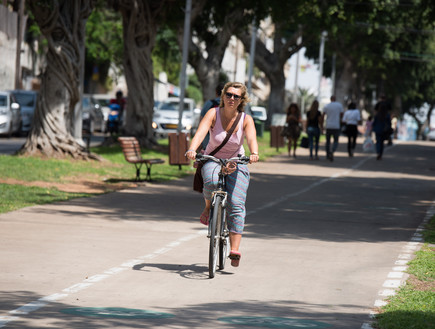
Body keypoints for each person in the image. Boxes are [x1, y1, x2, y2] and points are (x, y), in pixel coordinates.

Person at [185, 82, 259, 267]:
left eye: (236, 96)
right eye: (229, 94)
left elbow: (251, 138)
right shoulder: (213, 113)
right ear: (222, 95)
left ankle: (234, 250)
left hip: (237, 161)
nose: (232, 98)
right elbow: (200, 132)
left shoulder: (246, 119)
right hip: (212, 158)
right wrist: (192, 149)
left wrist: (254, 153)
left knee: (236, 202)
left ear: (242, 100)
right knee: (210, 183)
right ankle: (209, 207)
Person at [199, 83, 225, 150]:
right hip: (223, 136)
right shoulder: (228, 105)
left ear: (216, 92)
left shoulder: (209, 103)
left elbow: (201, 120)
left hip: (208, 136)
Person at [322, 95, 344, 161]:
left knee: (328, 141)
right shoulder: (339, 105)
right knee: (336, 141)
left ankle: (327, 154)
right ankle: (332, 151)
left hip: (328, 125)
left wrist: (322, 125)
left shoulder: (326, 106)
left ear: (330, 99)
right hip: (336, 126)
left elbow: (323, 116)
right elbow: (342, 114)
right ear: (335, 99)